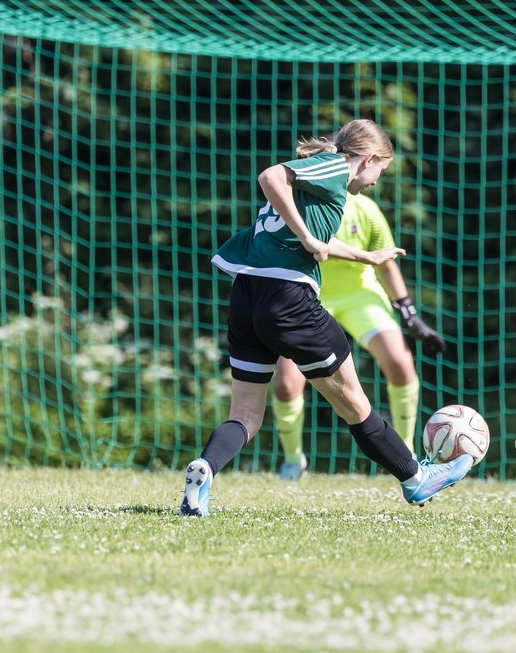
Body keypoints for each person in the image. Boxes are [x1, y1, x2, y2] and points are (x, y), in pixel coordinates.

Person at [180, 119, 472, 517]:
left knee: (245, 415)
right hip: (290, 299)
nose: (374, 182)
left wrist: (364, 257)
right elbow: (269, 177)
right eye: (379, 171)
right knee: (355, 404)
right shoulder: (335, 166)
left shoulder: (319, 183)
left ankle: (205, 469)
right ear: (368, 158)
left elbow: (314, 234)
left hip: (246, 296)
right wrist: (307, 238)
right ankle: (416, 480)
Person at [271, 190, 446, 480]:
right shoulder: (300, 208)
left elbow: (386, 263)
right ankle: (293, 461)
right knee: (286, 386)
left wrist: (409, 314)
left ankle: (404, 454)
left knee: (401, 365)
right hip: (309, 295)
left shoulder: (365, 209)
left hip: (360, 296)